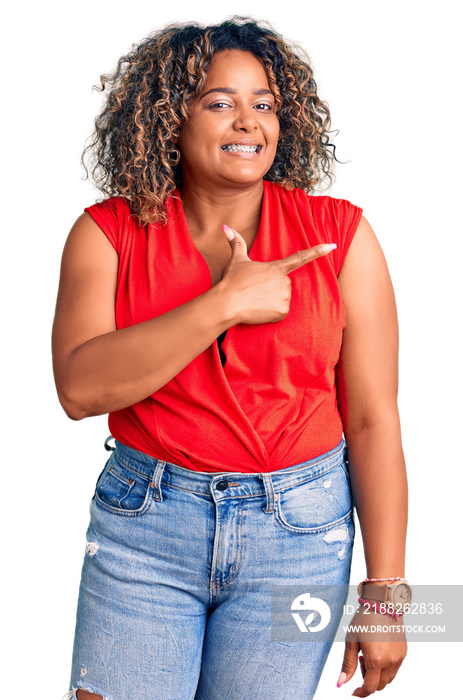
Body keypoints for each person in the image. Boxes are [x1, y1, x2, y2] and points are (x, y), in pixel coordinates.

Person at [53, 17, 409, 700]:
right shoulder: (106, 233)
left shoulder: (342, 235)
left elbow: (372, 420)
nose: (248, 121)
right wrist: (220, 305)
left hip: (299, 539)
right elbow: (77, 390)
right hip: (144, 532)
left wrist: (392, 602)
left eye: (264, 103)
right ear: (169, 120)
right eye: (219, 101)